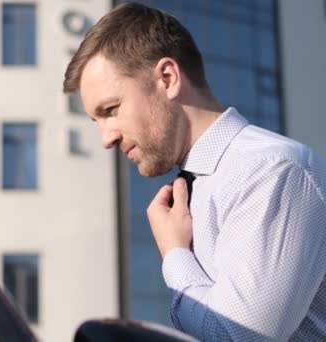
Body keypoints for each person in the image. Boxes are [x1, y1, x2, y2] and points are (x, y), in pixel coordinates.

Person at [63, 2, 326, 341]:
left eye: (111, 109)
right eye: (97, 121)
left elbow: (237, 338)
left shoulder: (271, 172)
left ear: (168, 78)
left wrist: (175, 254)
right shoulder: (198, 190)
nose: (106, 138)